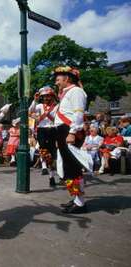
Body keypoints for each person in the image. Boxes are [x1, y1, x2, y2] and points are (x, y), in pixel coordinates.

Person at [53, 66, 88, 214]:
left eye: (58, 78)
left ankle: (80, 203)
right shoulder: (67, 93)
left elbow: (78, 114)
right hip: (63, 131)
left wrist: (72, 132)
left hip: (69, 131)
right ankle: (76, 199)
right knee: (68, 167)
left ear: (67, 78)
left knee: (73, 167)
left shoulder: (76, 92)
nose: (56, 81)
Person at [29, 86, 58, 187]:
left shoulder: (56, 106)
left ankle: (51, 176)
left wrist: (47, 114)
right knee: (43, 149)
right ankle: (44, 167)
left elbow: (56, 119)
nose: (46, 98)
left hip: (52, 129)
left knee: (52, 153)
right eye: (44, 96)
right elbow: (30, 111)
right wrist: (35, 100)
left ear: (52, 96)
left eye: (48, 96)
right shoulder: (40, 105)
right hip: (41, 130)